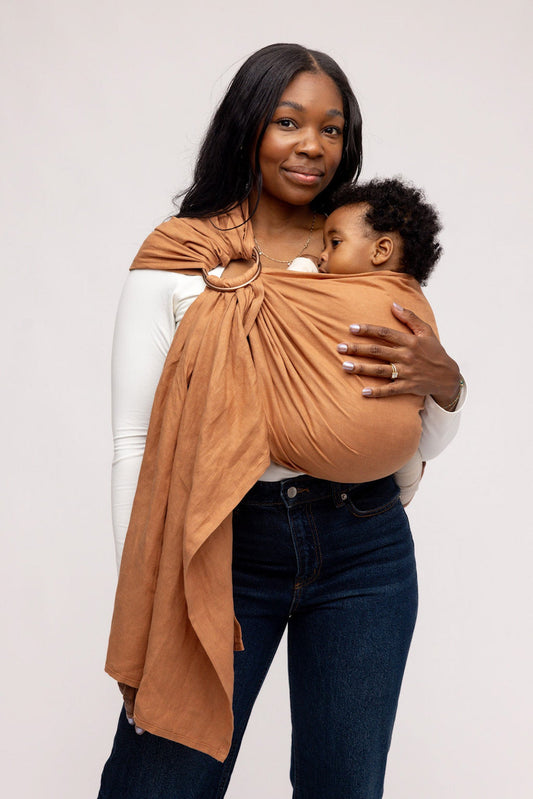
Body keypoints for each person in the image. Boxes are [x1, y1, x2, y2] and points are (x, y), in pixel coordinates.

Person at [98, 44, 465, 799]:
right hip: (222, 543)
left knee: (344, 786)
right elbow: (135, 441)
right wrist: (148, 604)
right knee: (158, 784)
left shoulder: (360, 251)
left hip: (365, 545)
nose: (311, 145)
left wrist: (450, 384)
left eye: (331, 128)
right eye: (288, 121)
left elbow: (407, 416)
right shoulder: (181, 256)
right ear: (247, 126)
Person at [288, 175, 449, 505]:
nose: (320, 256)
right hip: (392, 458)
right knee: (408, 454)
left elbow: (288, 294)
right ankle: (405, 491)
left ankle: (402, 490)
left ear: (381, 250)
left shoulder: (333, 291)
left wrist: (301, 267)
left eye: (334, 243)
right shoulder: (416, 301)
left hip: (364, 493)